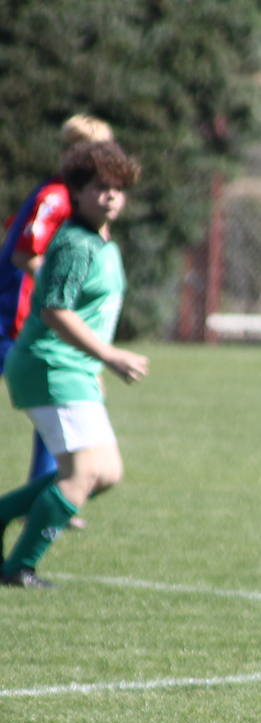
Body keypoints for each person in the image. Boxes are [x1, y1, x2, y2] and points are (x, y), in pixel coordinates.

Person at [0, 140, 147, 588]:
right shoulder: (74, 245)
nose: (111, 196)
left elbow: (86, 316)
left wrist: (95, 366)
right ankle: (19, 568)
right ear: (77, 191)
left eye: (118, 189)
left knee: (108, 473)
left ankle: (3, 515)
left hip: (73, 368)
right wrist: (108, 355)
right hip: (50, 365)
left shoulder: (101, 241)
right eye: (100, 187)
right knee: (82, 475)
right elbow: (54, 311)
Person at [0, 114, 116, 491]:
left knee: (53, 405)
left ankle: (54, 489)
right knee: (55, 399)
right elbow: (24, 252)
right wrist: (64, 284)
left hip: (28, 319)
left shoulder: (77, 199)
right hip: (14, 317)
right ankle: (60, 491)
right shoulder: (57, 195)